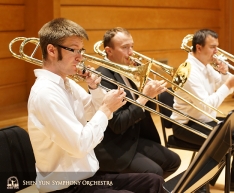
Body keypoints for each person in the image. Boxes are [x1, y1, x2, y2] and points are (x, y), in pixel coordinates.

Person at [27, 18, 165, 193]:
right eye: (73, 50)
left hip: (86, 177)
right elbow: (80, 146)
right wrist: (106, 107)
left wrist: (94, 88)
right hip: (64, 187)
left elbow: (93, 113)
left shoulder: (67, 84)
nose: (80, 57)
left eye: (81, 50)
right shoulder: (46, 93)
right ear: (52, 50)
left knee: (153, 181)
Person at [170, 29, 234, 193]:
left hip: (204, 119)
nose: (216, 52)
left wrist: (225, 74)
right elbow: (207, 105)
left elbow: (220, 86)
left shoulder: (206, 66)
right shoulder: (189, 72)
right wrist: (228, 85)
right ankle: (198, 182)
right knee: (224, 139)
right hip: (187, 125)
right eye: (212, 47)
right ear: (199, 47)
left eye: (217, 47)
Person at [94, 27, 181, 179]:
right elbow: (118, 124)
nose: (131, 52)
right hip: (116, 145)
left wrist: (151, 94)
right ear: (109, 51)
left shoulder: (129, 70)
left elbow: (145, 112)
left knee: (173, 161)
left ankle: (143, 187)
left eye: (132, 46)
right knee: (154, 173)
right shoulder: (102, 77)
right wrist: (144, 97)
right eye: (125, 47)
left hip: (135, 137)